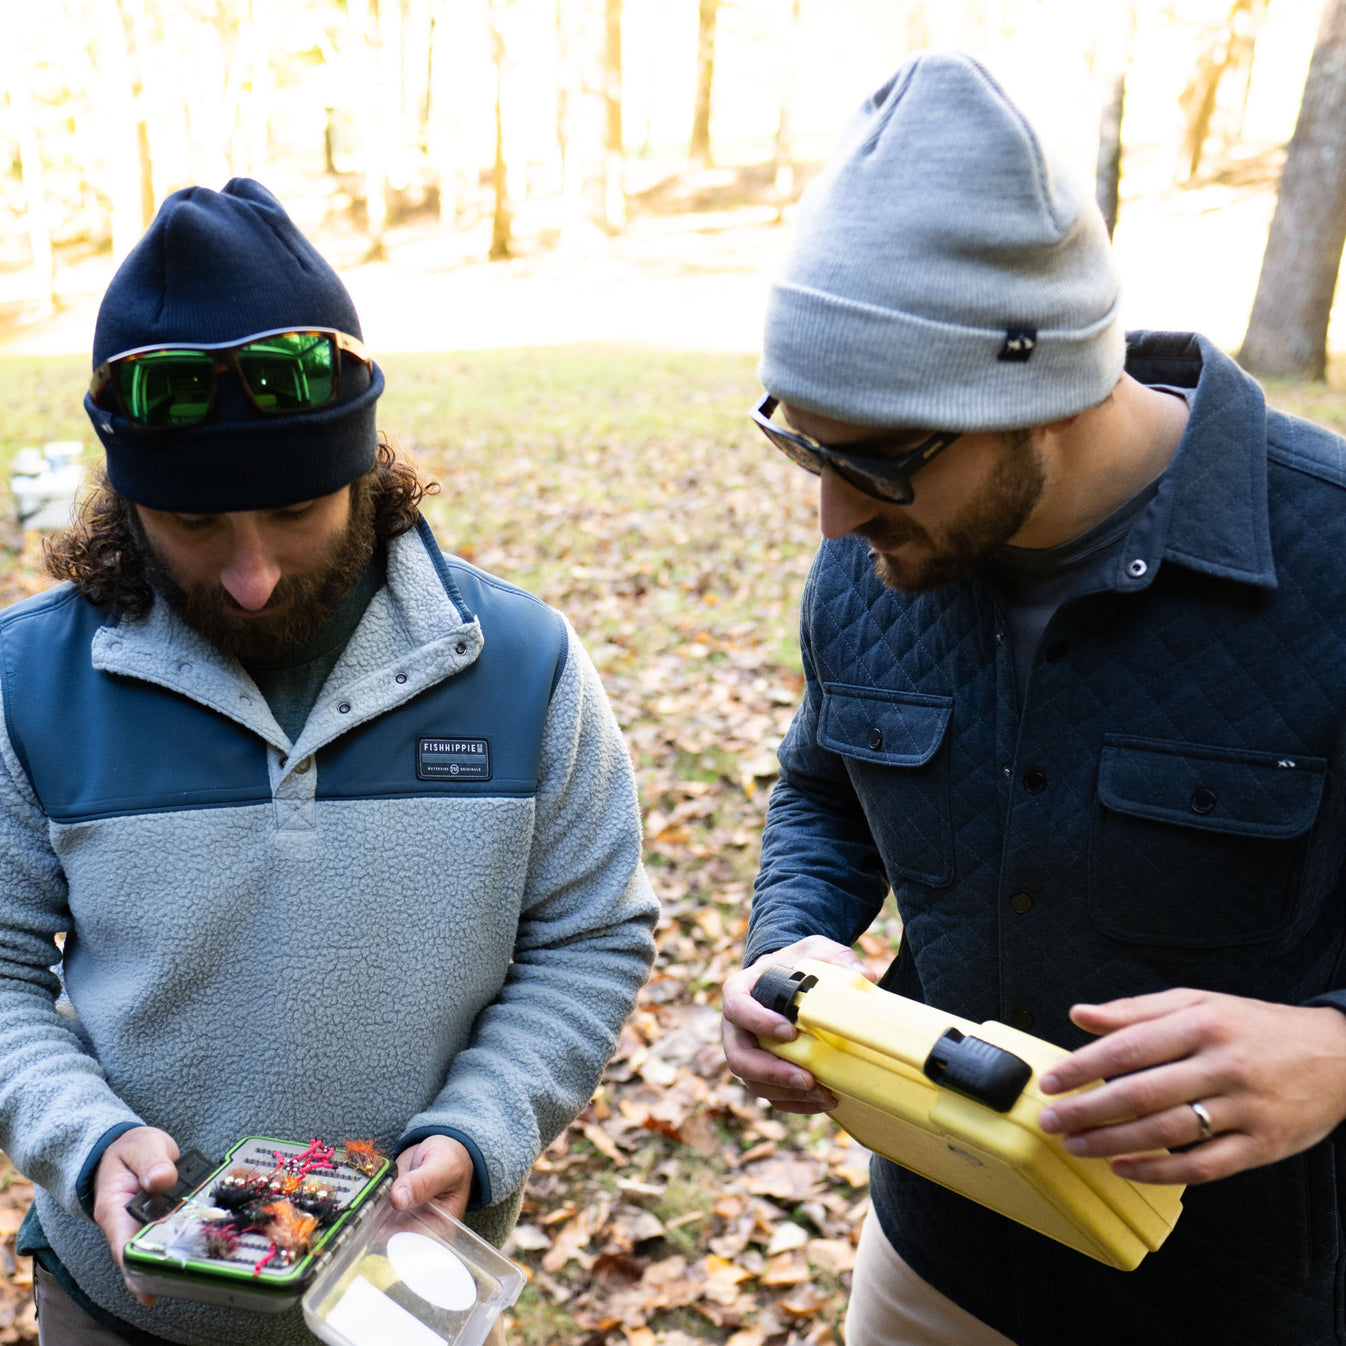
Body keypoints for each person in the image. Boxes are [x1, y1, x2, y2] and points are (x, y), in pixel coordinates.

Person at [720, 50, 1346, 1346]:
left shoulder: (1330, 561)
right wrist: (793, 938)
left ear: (1042, 389)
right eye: (800, 440)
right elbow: (823, 787)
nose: (831, 514)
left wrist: (1336, 1056)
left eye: (876, 459)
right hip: (933, 1255)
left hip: (1247, 1300)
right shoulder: (871, 557)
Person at [1, 177, 658, 1346]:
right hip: (121, 1310)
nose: (249, 573)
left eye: (295, 509)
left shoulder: (520, 663)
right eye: (196, 527)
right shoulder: (26, 683)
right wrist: (86, 1136)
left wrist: (478, 1126)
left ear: (364, 465)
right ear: (129, 499)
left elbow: (589, 934)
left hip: (400, 1307)